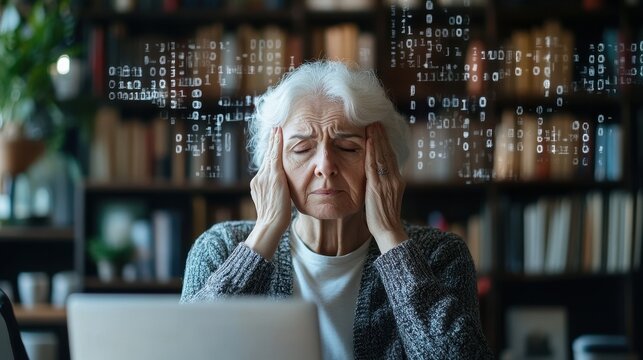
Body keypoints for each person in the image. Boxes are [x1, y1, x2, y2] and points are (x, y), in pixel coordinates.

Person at [180, 61, 493, 359]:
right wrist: (263, 236)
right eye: (302, 149)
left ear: (385, 160)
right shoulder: (220, 248)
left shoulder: (439, 255)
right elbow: (183, 351)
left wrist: (389, 235)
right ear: (272, 166)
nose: (325, 167)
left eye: (347, 147)